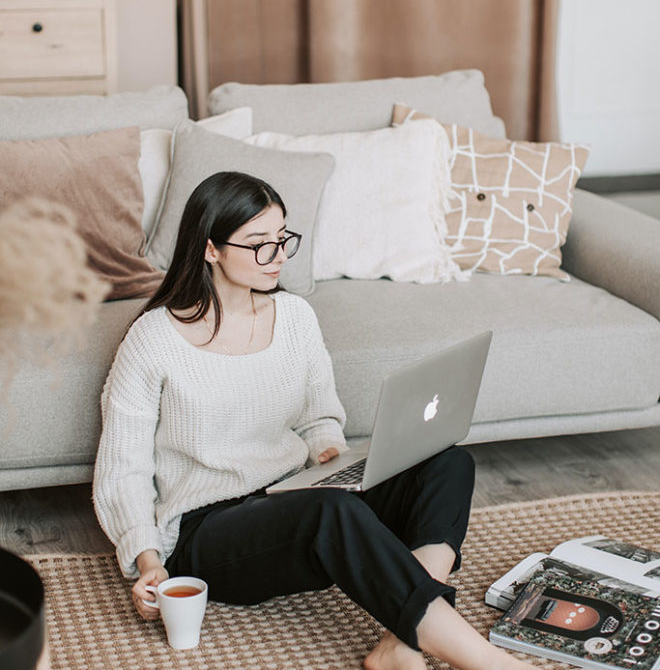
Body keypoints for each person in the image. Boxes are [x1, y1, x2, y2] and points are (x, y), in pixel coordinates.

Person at [93, 171, 534, 670]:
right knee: (331, 512)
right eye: (259, 244)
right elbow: (122, 471)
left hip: (294, 493)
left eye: (282, 239)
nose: (278, 255)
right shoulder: (154, 339)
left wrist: (328, 452)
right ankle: (488, 661)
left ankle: (402, 640)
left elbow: (318, 418)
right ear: (211, 249)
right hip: (208, 530)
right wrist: (148, 560)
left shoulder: (296, 317)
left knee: (448, 463)